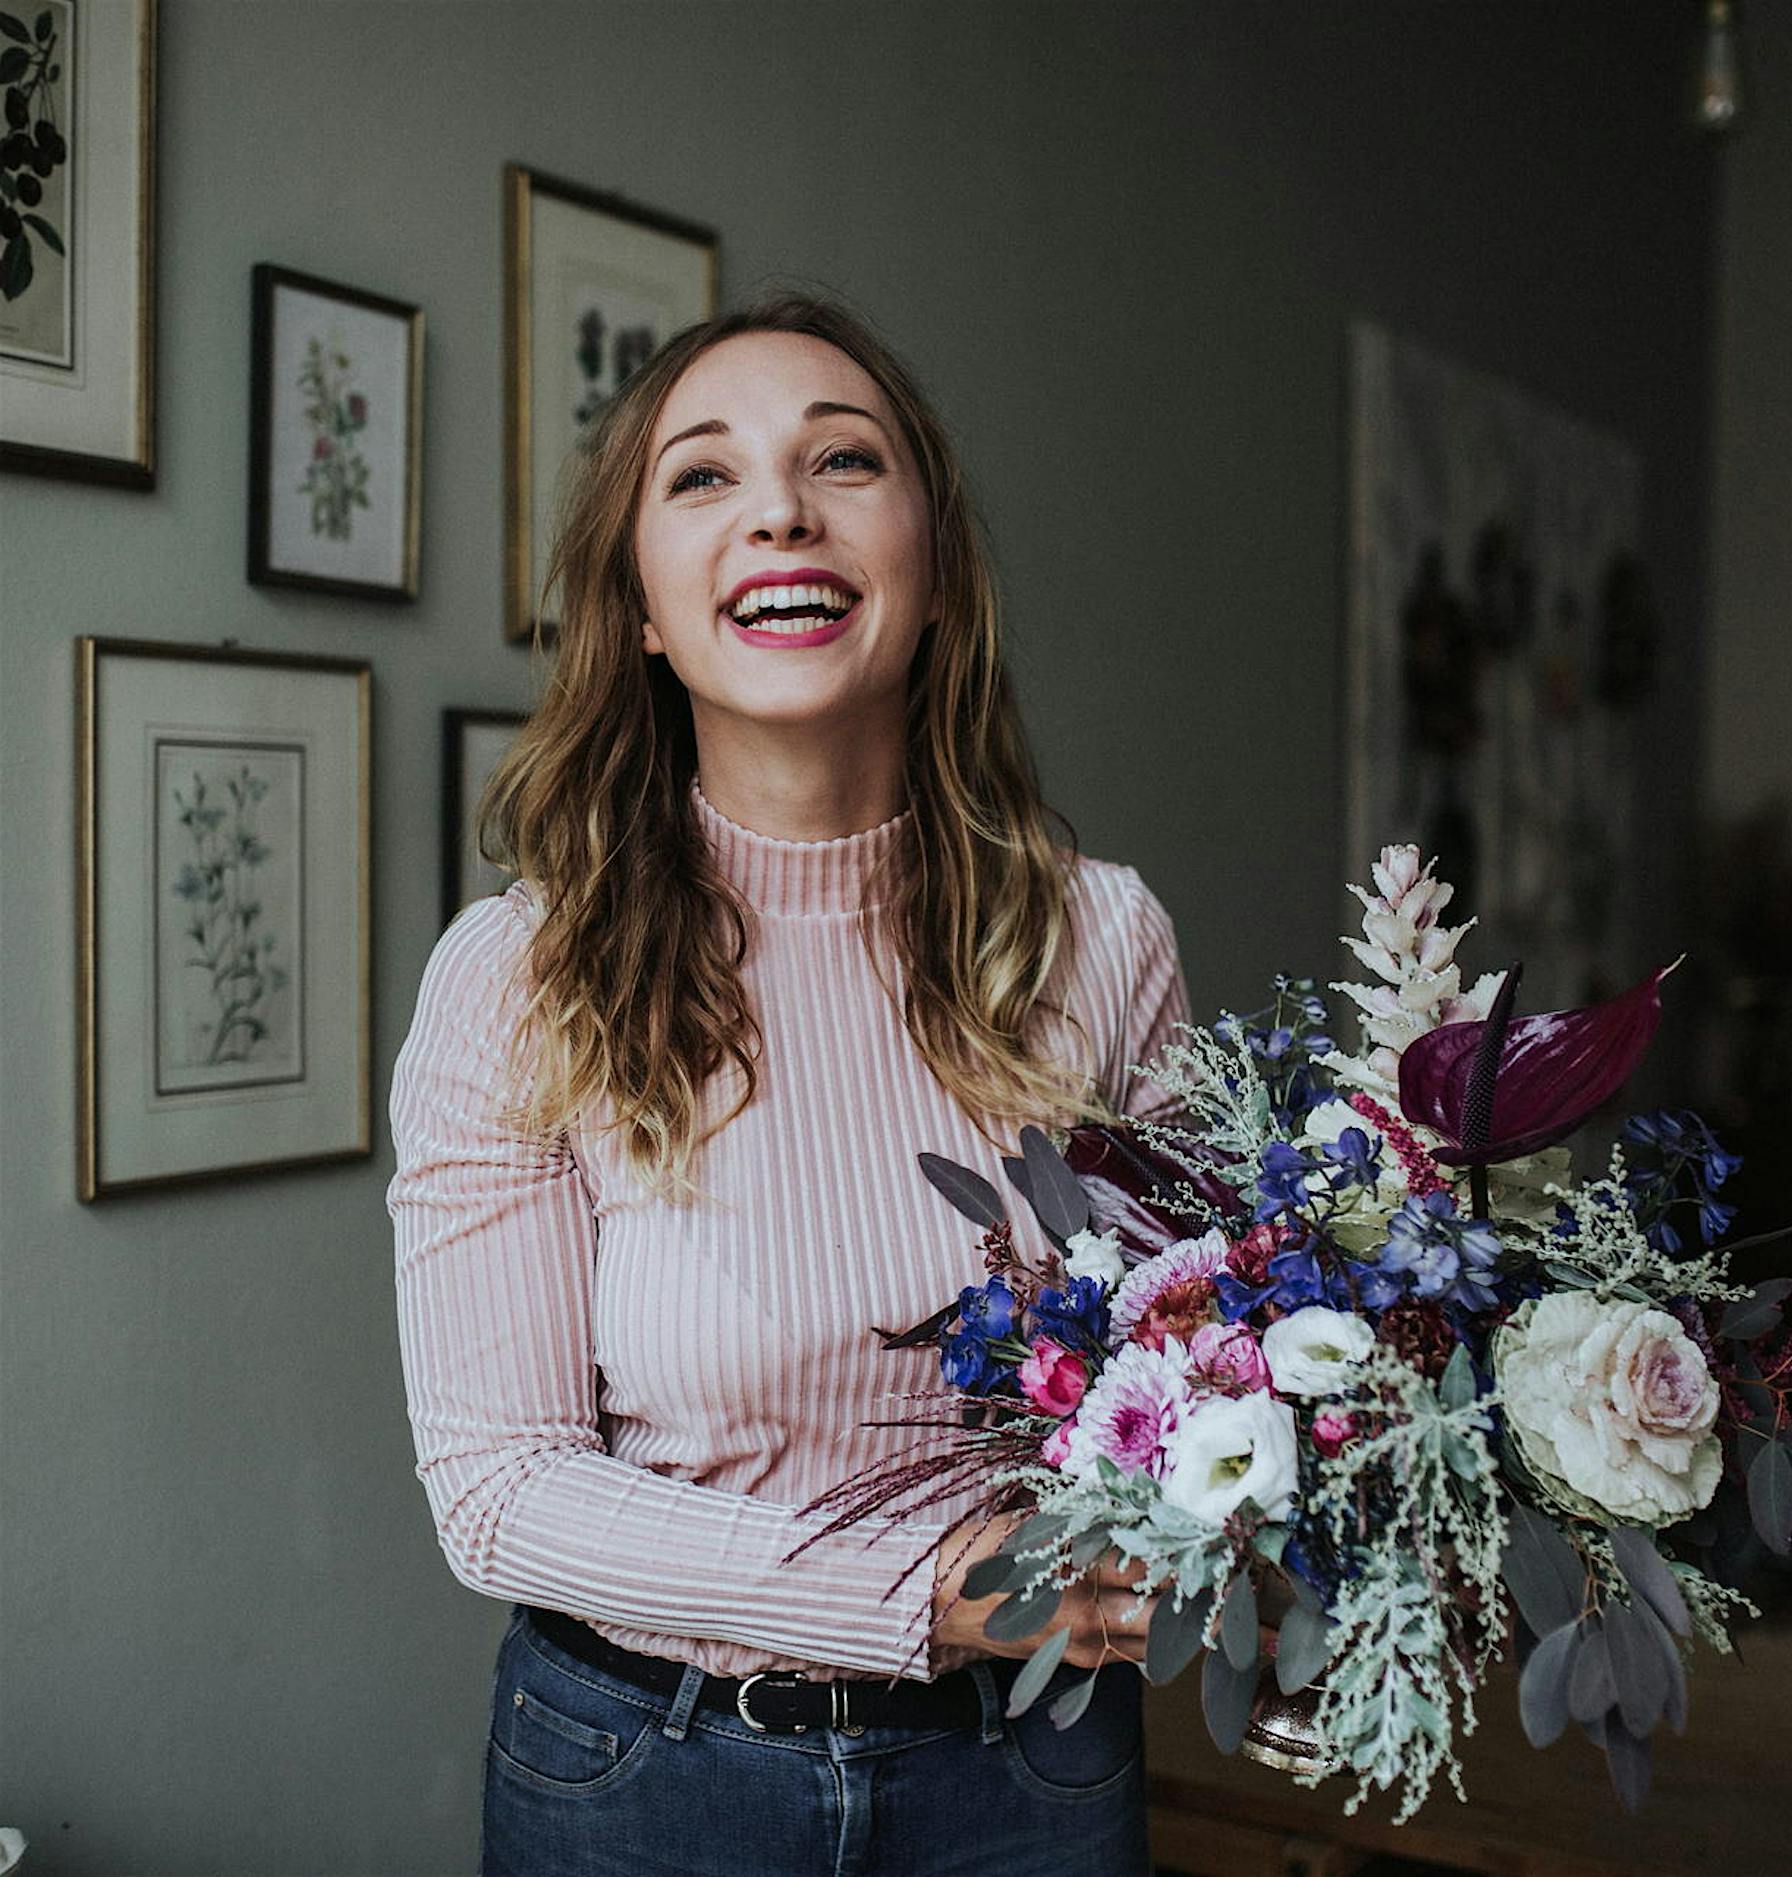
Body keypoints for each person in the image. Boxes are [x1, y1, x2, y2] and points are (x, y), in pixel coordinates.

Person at [387, 292, 1193, 1877]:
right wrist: (913, 1591)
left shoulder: (1103, 940)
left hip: (1030, 1771)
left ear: (937, 565)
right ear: (641, 608)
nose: (779, 509)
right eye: (703, 476)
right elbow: (499, 1491)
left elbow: (1185, 1369)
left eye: (843, 459)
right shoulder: (517, 976)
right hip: (646, 1775)